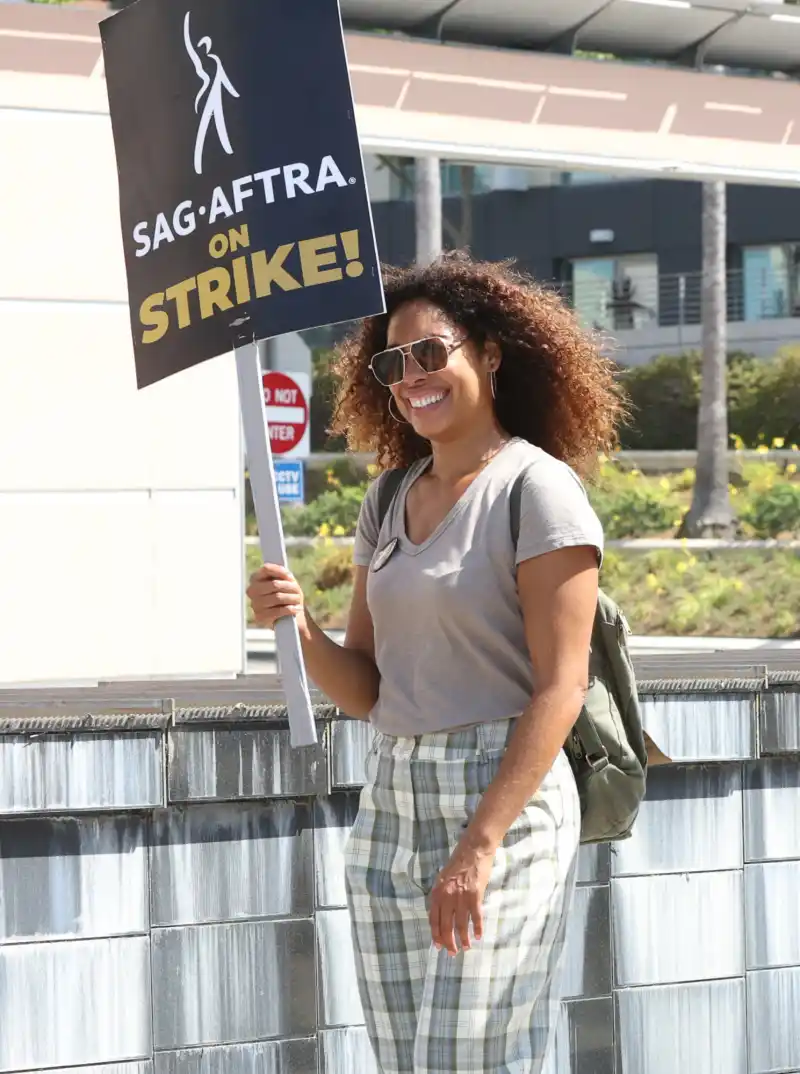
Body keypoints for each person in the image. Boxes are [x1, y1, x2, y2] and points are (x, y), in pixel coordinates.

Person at [248, 252, 625, 1074]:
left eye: (432, 353)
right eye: (392, 362)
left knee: (472, 1058)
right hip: (390, 797)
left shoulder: (538, 488)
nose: (411, 376)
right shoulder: (387, 496)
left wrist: (480, 845)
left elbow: (562, 687)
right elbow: (367, 685)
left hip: (502, 801)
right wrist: (298, 626)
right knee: (407, 1061)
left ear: (488, 353)